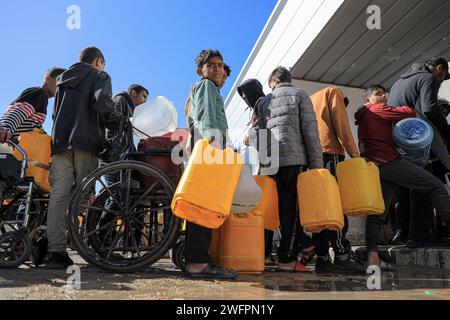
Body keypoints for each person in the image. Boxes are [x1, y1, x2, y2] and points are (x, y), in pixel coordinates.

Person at [355, 85, 450, 268]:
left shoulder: (363, 116)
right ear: (367, 100)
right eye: (378, 94)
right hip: (389, 162)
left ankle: (372, 259)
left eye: (384, 94)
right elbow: (409, 112)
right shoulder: (377, 109)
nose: (383, 97)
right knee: (436, 186)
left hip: (374, 166)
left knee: (376, 214)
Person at [46, 47, 117, 269]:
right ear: (98, 61)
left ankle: (55, 251)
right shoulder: (99, 76)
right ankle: (78, 241)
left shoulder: (62, 80)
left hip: (60, 143)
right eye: (103, 63)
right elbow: (102, 103)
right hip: (86, 142)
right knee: (83, 195)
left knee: (59, 195)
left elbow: (55, 115)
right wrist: (116, 119)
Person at [254, 66, 323, 272]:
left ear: (273, 80)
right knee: (291, 210)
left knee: (276, 209)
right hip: (295, 160)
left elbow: (261, 137)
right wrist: (316, 165)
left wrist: (264, 168)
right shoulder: (300, 95)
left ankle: (296, 249)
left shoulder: (263, 101)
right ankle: (286, 260)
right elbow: (310, 132)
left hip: (271, 163)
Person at [184, 49, 237, 279]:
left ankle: (196, 259)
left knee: (200, 206)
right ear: (200, 70)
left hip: (205, 149)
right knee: (203, 208)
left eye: (220, 65)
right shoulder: (205, 86)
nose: (218, 69)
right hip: (208, 150)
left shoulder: (207, 89)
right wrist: (215, 148)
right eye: (212, 65)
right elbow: (206, 119)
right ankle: (197, 263)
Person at [310, 86, 363, 274]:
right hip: (330, 153)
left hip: (312, 158)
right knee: (336, 207)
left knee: (319, 210)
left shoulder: (310, 99)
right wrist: (354, 153)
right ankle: (342, 255)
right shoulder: (333, 93)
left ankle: (322, 258)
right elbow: (342, 125)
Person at [0, 67, 66, 143]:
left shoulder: (42, 99)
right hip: (13, 148)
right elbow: (18, 111)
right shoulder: (38, 93)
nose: (62, 87)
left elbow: (34, 127)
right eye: (60, 82)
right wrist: (4, 127)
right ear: (47, 79)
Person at [102, 84, 149, 164]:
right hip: (113, 152)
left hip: (123, 153)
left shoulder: (133, 111)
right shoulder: (121, 99)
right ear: (134, 93)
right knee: (112, 175)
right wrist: (111, 150)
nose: (145, 101)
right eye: (143, 96)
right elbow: (111, 122)